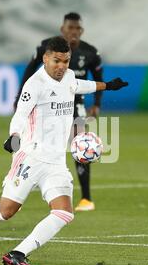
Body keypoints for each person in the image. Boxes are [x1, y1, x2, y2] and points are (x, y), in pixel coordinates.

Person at [0, 36, 128, 265]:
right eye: (57, 61)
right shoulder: (34, 84)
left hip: (56, 162)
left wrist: (107, 86)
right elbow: (19, 114)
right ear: (46, 58)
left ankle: (17, 254)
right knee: (5, 212)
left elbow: (80, 85)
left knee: (64, 213)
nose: (61, 66)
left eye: (66, 61)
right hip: (31, 157)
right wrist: (14, 136)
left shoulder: (68, 77)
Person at [14, 12, 103, 212]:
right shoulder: (46, 47)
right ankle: (18, 188)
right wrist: (19, 98)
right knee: (34, 144)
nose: (74, 32)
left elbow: (98, 76)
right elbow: (29, 71)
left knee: (80, 146)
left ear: (82, 31)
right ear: (62, 29)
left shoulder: (90, 52)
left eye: (77, 28)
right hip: (46, 106)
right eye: (70, 28)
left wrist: (96, 104)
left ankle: (86, 198)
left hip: (74, 104)